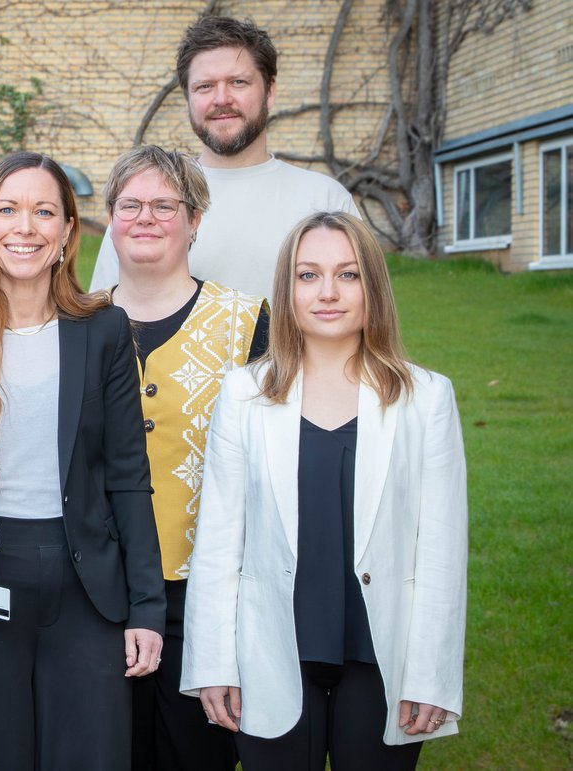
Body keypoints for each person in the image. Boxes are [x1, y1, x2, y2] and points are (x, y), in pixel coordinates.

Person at [0, 151, 166, 769]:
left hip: (86, 592)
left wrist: (147, 606)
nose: (26, 227)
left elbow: (128, 478)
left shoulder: (104, 332)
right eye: (9, 210)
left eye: (45, 211)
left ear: (68, 231)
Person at [181, 212, 468, 770]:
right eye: (308, 275)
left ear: (374, 288)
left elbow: (441, 551)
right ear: (287, 290)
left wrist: (433, 673)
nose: (328, 293)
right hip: (269, 648)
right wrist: (212, 662)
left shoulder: (426, 398)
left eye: (349, 274)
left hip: (384, 656)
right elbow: (217, 541)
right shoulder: (244, 395)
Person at [103, 145, 268, 771]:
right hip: (97, 590)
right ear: (111, 221)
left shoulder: (247, 322)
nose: (146, 217)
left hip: (206, 591)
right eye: (130, 205)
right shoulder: (76, 321)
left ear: (195, 220)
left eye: (165, 205)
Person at [90, 16, 359, 298]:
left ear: (270, 92)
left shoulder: (324, 200)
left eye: (238, 82)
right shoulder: (143, 205)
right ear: (188, 99)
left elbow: (365, 319)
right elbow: (104, 313)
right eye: (204, 86)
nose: (221, 99)